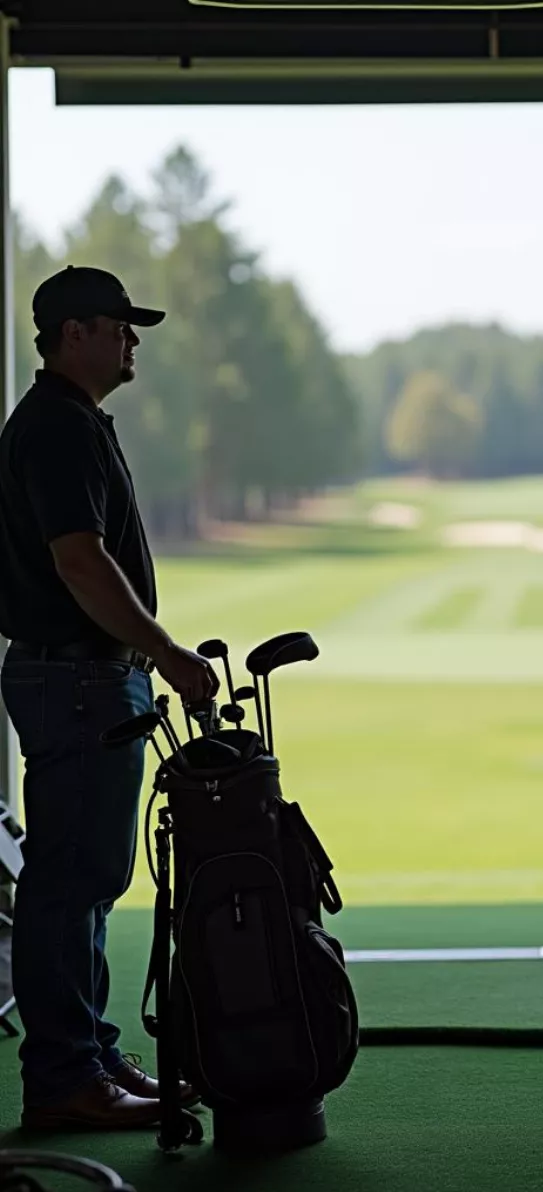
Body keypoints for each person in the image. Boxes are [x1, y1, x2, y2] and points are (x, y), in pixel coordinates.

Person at [0, 266, 219, 1132]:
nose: (133, 342)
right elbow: (80, 561)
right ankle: (64, 1078)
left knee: (86, 881)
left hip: (82, 676)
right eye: (120, 326)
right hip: (80, 678)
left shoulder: (69, 421)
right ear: (74, 333)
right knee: (68, 885)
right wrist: (163, 652)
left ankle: (86, 1056)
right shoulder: (57, 427)